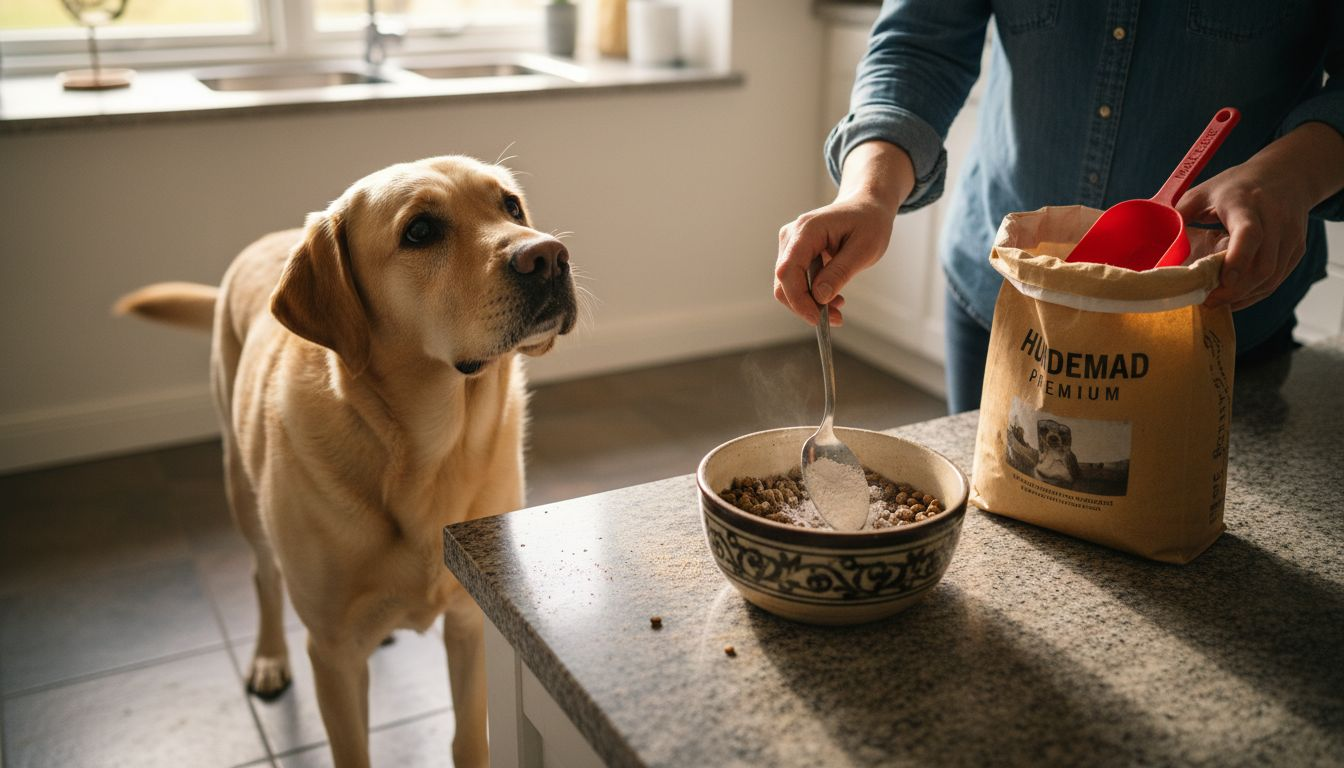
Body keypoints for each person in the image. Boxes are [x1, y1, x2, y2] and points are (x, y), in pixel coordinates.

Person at [775, 0, 1344, 414]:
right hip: (1004, 300)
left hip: (1212, 315)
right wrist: (868, 194)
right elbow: (919, 43)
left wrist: (1289, 176)